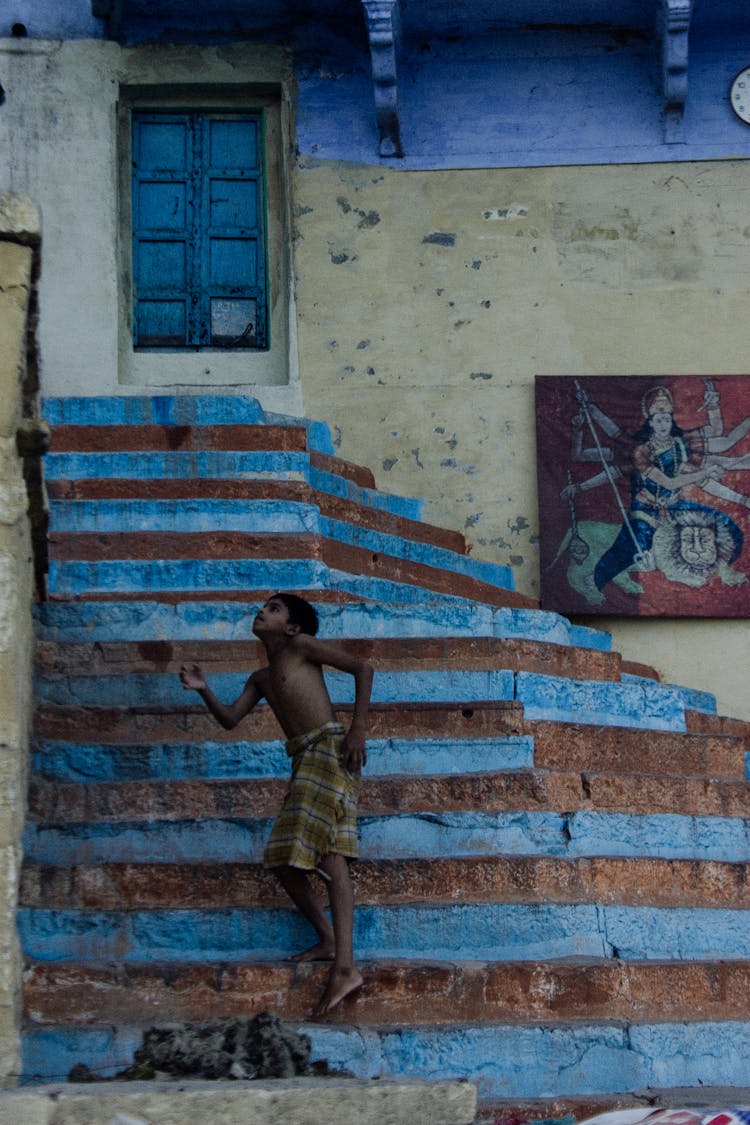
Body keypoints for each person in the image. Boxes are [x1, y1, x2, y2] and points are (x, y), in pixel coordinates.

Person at [179, 592, 374, 1018]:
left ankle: (345, 968)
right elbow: (230, 719)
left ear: (291, 628)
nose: (261, 611)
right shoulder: (261, 679)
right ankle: (328, 940)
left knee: (333, 860)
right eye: (262, 606)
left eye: (273, 608)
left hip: (331, 750)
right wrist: (203, 690)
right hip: (304, 759)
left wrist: (357, 730)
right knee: (285, 863)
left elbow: (363, 668)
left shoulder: (302, 648)